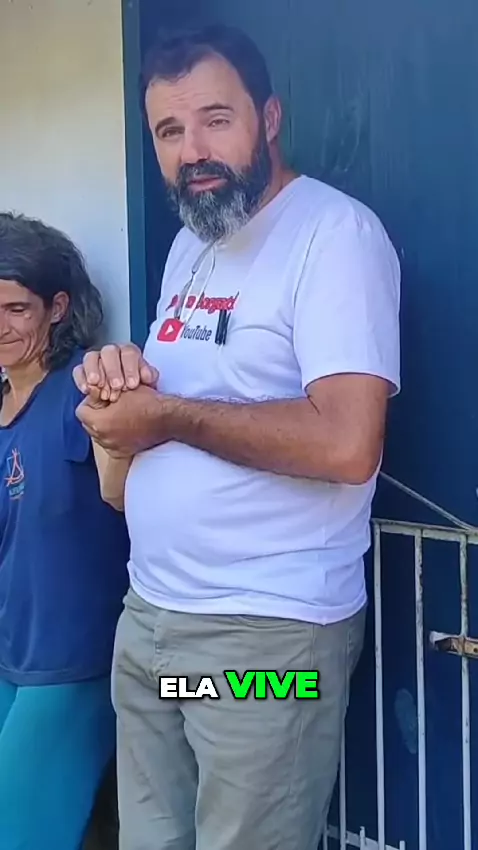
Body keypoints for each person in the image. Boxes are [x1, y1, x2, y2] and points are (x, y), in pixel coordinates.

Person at [74, 23, 401, 850]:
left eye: (216, 119)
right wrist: (117, 404)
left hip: (264, 644)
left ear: (270, 117)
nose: (194, 151)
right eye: (169, 131)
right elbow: (146, 446)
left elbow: (347, 444)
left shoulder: (333, 235)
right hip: (154, 619)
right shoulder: (192, 245)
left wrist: (166, 416)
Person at [0, 212, 130, 850]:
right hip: (10, 652)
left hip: (73, 664)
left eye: (15, 309)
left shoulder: (89, 390)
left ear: (56, 308)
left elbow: (128, 499)